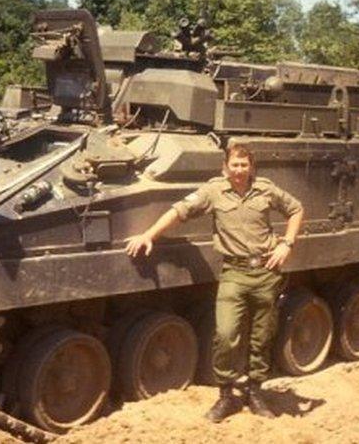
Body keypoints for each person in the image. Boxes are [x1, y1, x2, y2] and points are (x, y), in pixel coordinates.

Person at [126, 143, 304, 422]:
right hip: (234, 273)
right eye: (235, 165)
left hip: (266, 274)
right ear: (225, 167)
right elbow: (179, 211)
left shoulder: (266, 189)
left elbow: (296, 209)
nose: (239, 170)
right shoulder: (214, 191)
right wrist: (149, 235)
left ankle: (255, 392)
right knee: (225, 333)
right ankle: (226, 395)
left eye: (244, 165)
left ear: (251, 167)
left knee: (262, 337)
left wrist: (287, 244)